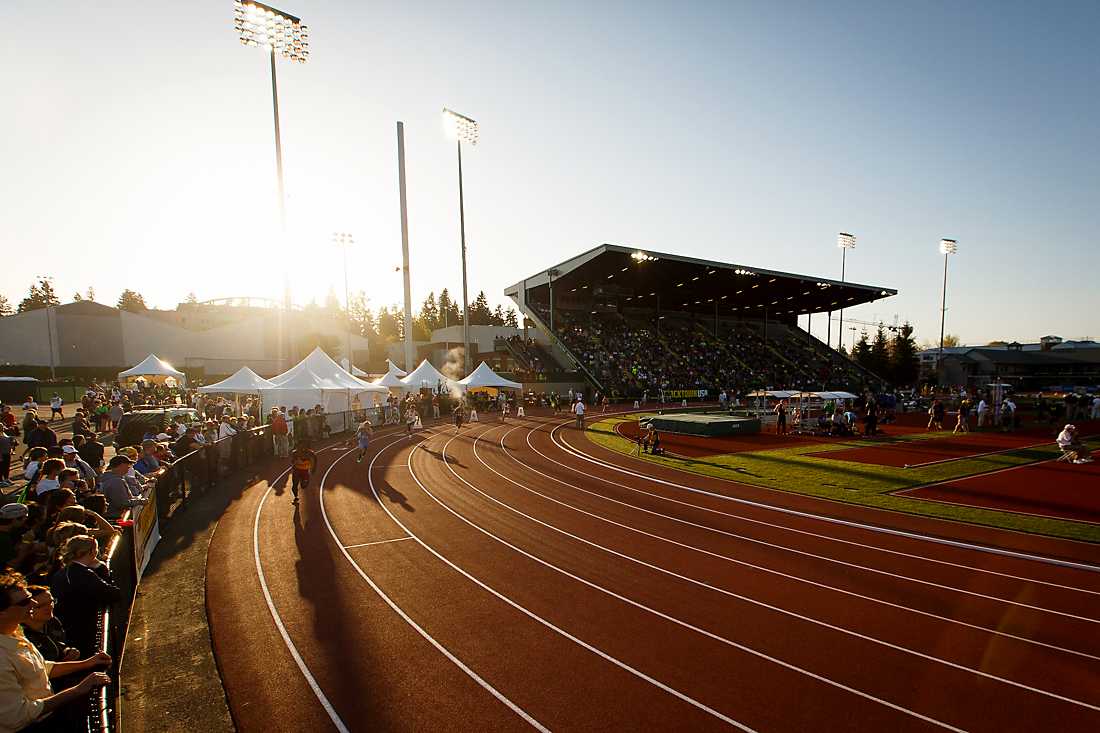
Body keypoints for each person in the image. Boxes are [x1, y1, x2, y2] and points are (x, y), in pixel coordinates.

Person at [0, 571, 111, 732]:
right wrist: (78, 690)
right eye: (24, 601)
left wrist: (87, 663)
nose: (33, 602)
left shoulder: (14, 632)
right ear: (2, 612)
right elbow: (18, 716)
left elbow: (40, 668)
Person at [50, 535, 122, 656]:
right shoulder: (82, 574)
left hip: (68, 626)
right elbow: (113, 594)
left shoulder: (61, 573)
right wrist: (102, 567)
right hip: (83, 629)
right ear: (92, 552)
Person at [289, 441, 318, 506]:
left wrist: (313, 468)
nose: (302, 449)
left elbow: (315, 460)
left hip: (305, 471)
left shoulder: (311, 453)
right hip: (297, 470)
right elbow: (292, 461)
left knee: (303, 486)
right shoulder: (295, 453)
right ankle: (296, 497)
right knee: (294, 485)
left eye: (304, 447)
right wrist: (295, 462)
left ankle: (304, 481)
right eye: (300, 447)